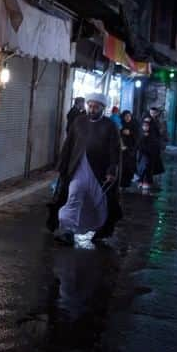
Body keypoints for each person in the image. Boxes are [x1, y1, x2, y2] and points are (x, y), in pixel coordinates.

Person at [46, 92, 122, 245]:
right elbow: (69, 144)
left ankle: (102, 230)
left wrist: (111, 170)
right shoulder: (79, 121)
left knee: (100, 203)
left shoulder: (110, 125)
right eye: (90, 106)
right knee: (73, 196)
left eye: (96, 107)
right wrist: (62, 165)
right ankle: (68, 230)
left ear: (102, 108)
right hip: (78, 169)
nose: (92, 110)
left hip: (98, 172)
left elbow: (114, 150)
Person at [136, 119, 164, 192]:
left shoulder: (152, 134)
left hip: (150, 154)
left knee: (147, 167)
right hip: (142, 154)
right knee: (142, 167)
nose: (145, 127)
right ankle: (141, 181)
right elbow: (138, 143)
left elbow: (155, 144)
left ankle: (146, 181)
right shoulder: (140, 133)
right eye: (144, 126)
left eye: (147, 126)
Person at [119, 110, 138, 189]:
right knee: (122, 167)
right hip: (121, 150)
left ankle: (127, 183)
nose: (127, 118)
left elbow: (138, 137)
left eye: (129, 116)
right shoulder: (120, 125)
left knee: (130, 167)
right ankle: (121, 184)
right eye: (126, 116)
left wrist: (130, 133)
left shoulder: (134, 125)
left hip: (131, 150)